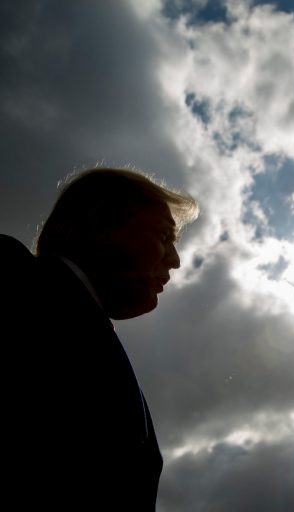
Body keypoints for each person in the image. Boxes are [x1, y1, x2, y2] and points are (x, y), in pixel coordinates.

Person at [0, 167, 198, 510]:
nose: (175, 261)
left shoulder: (79, 324)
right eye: (165, 236)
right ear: (102, 225)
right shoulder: (11, 279)